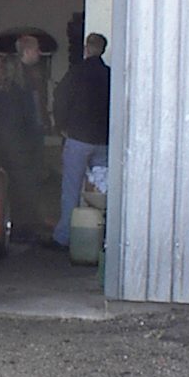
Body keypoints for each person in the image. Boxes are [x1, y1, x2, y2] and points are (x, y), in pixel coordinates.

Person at [50, 32, 111, 249]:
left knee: (71, 189)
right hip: (103, 140)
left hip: (78, 138)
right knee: (102, 191)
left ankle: (64, 237)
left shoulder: (76, 73)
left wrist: (61, 126)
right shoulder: (110, 75)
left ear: (86, 48)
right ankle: (102, 239)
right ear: (103, 50)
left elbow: (60, 98)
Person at [0, 53, 45, 243]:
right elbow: (31, 119)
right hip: (20, 145)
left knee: (1, 188)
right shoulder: (22, 90)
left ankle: (1, 225)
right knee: (23, 190)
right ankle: (23, 230)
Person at [16, 34, 50, 132]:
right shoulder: (19, 76)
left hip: (31, 126)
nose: (39, 53)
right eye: (36, 50)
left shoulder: (33, 72)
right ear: (26, 52)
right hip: (26, 127)